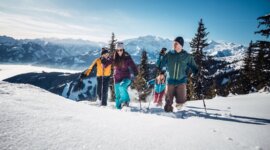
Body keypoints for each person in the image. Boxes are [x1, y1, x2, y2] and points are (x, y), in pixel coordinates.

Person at [156, 36, 198, 112]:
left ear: (181, 45)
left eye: (176, 43)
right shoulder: (169, 54)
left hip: (181, 82)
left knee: (181, 103)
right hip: (170, 82)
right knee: (168, 105)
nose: (174, 45)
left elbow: (194, 66)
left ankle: (180, 117)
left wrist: (197, 72)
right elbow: (159, 65)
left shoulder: (187, 56)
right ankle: (169, 118)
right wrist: (161, 55)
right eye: (174, 43)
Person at [113, 42, 138, 109]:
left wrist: (136, 73)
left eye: (120, 50)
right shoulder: (115, 57)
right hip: (117, 78)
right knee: (117, 95)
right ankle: (118, 109)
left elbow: (133, 66)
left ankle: (126, 101)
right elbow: (109, 62)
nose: (119, 52)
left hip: (126, 78)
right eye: (117, 50)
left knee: (122, 86)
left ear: (123, 49)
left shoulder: (127, 57)